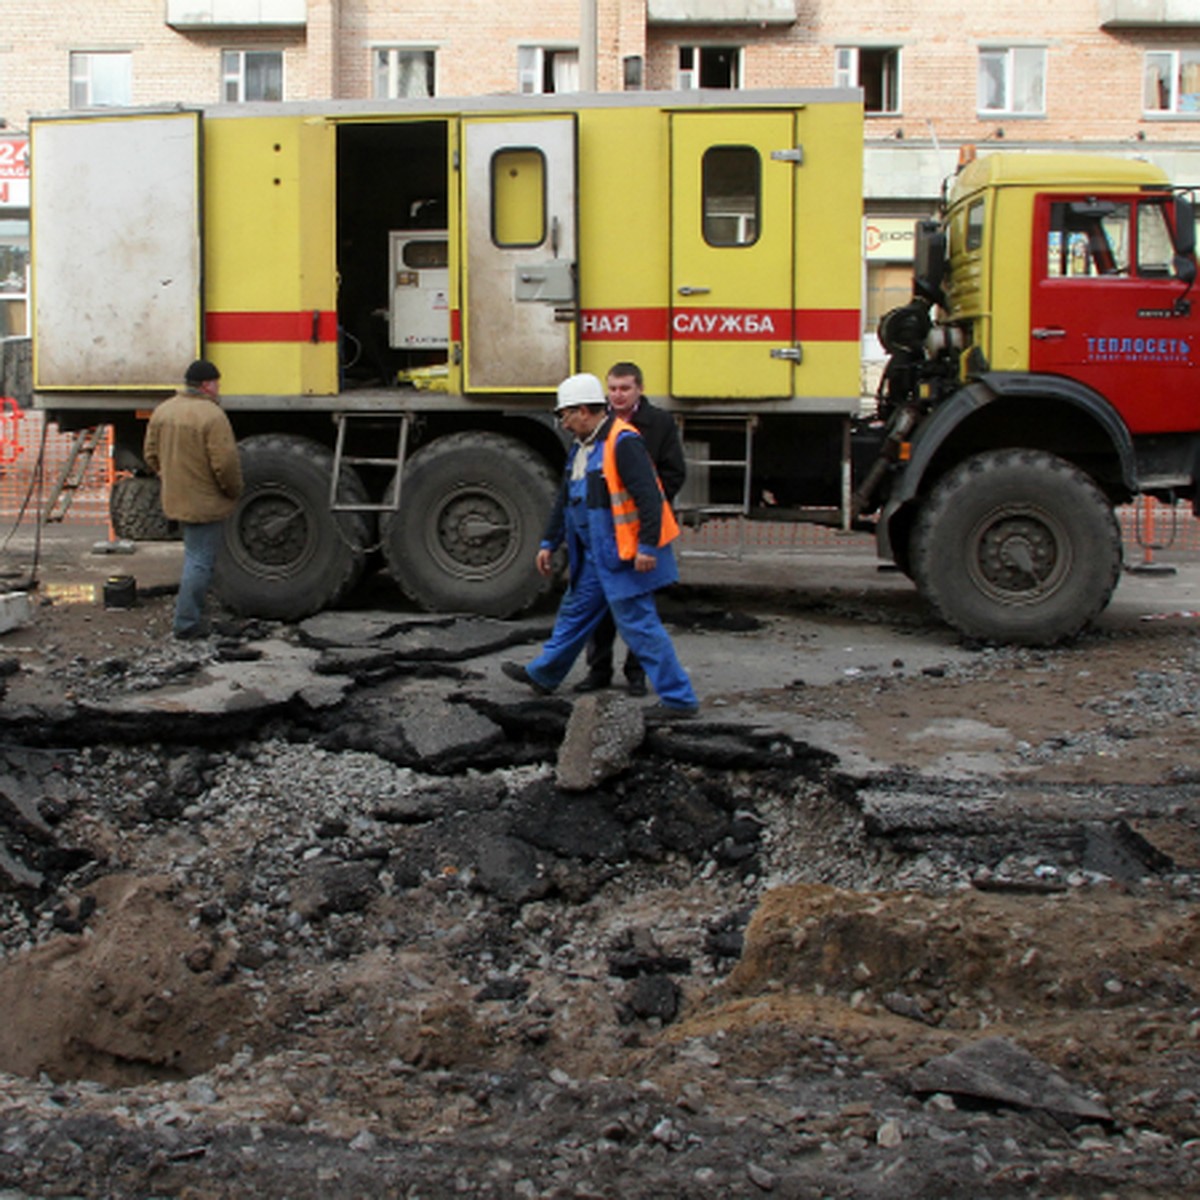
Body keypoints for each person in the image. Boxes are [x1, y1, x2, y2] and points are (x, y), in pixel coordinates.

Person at [502, 372, 698, 719]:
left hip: (621, 555)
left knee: (640, 626)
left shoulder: (623, 443)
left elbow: (650, 499)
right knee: (574, 614)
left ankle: (679, 699)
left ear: (582, 411)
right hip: (597, 555)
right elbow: (566, 500)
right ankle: (544, 674)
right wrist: (550, 540)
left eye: (564, 414)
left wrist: (647, 548)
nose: (562, 422)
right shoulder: (583, 446)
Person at [575, 361, 687, 697]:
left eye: (625, 388)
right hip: (602, 529)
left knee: (639, 606)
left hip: (637, 530)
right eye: (613, 389)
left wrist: (645, 513)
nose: (618, 395)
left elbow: (673, 473)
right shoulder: (596, 423)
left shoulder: (659, 424)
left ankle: (635, 675)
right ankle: (598, 670)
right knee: (601, 605)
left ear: (639, 389)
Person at [143, 359, 244, 640]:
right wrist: (234, 490)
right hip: (205, 502)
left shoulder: (164, 411)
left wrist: (169, 476)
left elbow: (150, 455)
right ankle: (187, 622)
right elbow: (225, 464)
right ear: (206, 385)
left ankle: (193, 614)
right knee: (199, 561)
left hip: (176, 499)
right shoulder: (212, 416)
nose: (219, 388)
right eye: (217, 383)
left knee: (193, 556)